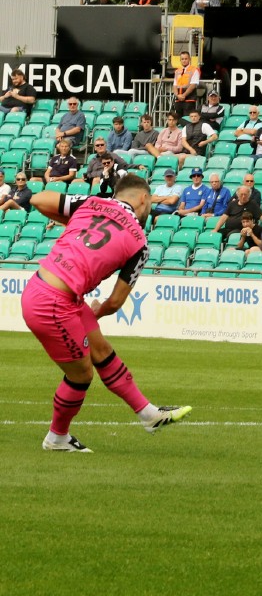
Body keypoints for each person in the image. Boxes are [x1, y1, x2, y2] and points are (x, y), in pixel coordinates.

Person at [21, 175, 191, 453]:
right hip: (54, 303)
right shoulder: (139, 242)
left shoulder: (92, 202)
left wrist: (74, 223)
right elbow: (114, 302)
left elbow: (38, 199)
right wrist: (98, 311)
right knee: (81, 376)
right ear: (143, 199)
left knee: (100, 349)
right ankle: (57, 438)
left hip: (44, 287)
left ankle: (148, 415)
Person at [173, 52, 200, 120]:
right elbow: (175, 85)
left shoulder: (194, 70)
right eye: (182, 59)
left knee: (187, 119)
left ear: (189, 59)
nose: (184, 60)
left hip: (189, 99)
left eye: (186, 58)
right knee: (178, 119)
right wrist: (177, 95)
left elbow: (193, 85)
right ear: (180, 60)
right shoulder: (177, 71)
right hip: (178, 99)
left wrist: (184, 95)